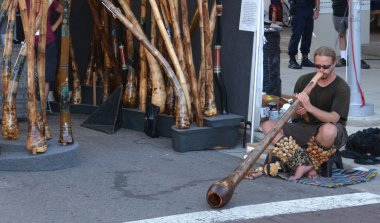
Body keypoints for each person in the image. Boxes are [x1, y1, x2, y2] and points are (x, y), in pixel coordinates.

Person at [262, 46, 350, 180]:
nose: (321, 70)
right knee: (268, 125)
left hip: (332, 132)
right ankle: (301, 163)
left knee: (328, 130)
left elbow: (333, 118)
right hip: (305, 127)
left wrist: (309, 107)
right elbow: (294, 117)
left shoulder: (341, 87)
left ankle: (310, 164)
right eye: (318, 66)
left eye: (325, 67)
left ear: (333, 65)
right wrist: (299, 111)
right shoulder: (303, 80)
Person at [26, 0, 63, 105]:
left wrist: (54, 27)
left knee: (45, 77)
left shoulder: (49, 1)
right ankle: (32, 107)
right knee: (31, 76)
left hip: (48, 42)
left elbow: (64, 11)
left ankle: (42, 108)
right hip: (31, 43)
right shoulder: (25, 2)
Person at [332, 0, 370, 69]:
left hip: (353, 13)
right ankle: (343, 58)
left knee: (355, 36)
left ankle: (358, 59)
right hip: (338, 12)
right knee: (341, 35)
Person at [288, 0, 320, 69]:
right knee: (296, 34)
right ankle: (292, 59)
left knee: (308, 34)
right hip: (298, 8)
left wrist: (317, 9)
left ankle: (305, 58)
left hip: (309, 8)